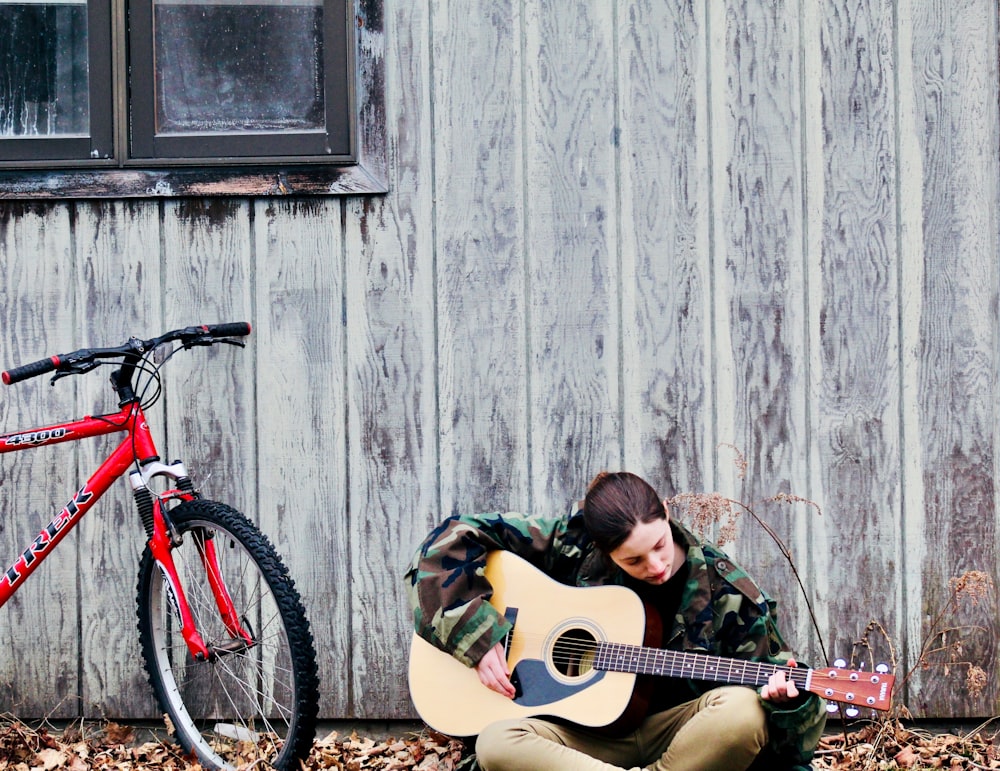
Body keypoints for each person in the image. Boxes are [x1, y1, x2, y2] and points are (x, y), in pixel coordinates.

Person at [405, 471, 826, 771]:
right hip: (578, 742)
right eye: (634, 560)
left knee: (744, 710)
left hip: (681, 743)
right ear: (603, 550)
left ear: (664, 512)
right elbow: (449, 541)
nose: (657, 565)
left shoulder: (729, 594)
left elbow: (792, 752)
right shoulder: (572, 541)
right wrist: (476, 638)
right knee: (498, 743)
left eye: (659, 545)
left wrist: (792, 705)